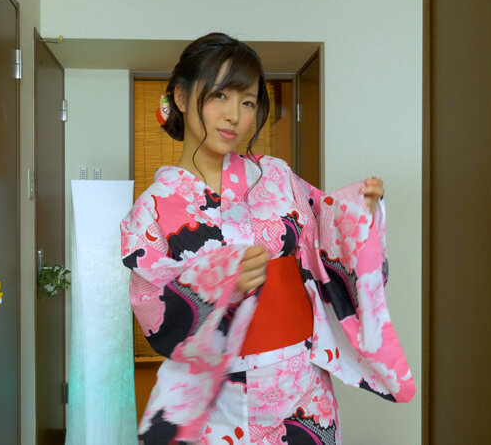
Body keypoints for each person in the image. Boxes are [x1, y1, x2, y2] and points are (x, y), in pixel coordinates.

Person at [120, 32, 414, 445]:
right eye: (220, 96)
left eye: (248, 102)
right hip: (218, 394)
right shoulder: (151, 209)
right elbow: (152, 311)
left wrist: (358, 216)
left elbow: (325, 234)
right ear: (182, 97)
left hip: (302, 385)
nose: (234, 116)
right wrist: (214, 282)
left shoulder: (275, 176)